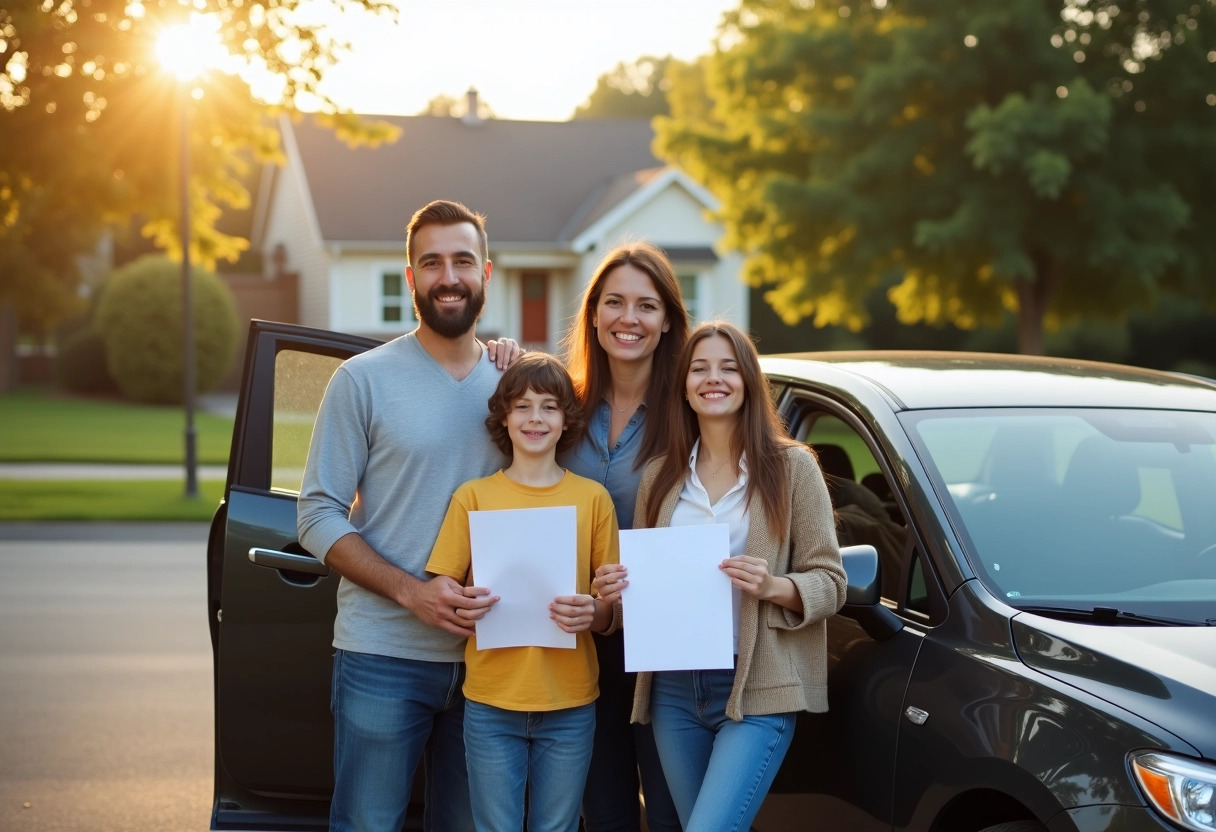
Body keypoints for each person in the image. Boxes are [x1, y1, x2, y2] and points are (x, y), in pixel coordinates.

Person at [297, 199, 518, 832]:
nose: (449, 276)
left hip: (495, 660)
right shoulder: (361, 380)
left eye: (463, 261)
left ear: (486, 273)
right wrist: (412, 593)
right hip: (382, 654)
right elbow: (317, 513)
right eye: (432, 263)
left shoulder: (518, 385)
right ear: (410, 278)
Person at [595, 321, 847, 832]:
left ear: (750, 382)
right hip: (673, 690)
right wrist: (614, 595)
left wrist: (774, 585)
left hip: (757, 683)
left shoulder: (793, 469)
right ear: (684, 386)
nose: (714, 379)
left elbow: (832, 581)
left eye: (729, 368)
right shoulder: (661, 477)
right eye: (700, 369)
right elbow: (642, 602)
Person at [426, 352, 620, 832]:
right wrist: (462, 603)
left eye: (550, 407)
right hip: (492, 701)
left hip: (570, 702)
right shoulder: (473, 497)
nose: (535, 418)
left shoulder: (593, 498)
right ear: (504, 418)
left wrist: (593, 613)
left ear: (566, 421)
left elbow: (613, 603)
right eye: (523, 406)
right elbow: (442, 587)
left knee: (557, 828)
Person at [560, 242, 688, 832]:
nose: (628, 319)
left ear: (666, 322)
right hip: (576, 641)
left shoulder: (692, 413)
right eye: (614, 302)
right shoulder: (562, 408)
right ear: (592, 314)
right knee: (603, 812)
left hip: (667, 647)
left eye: (646, 305)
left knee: (667, 812)